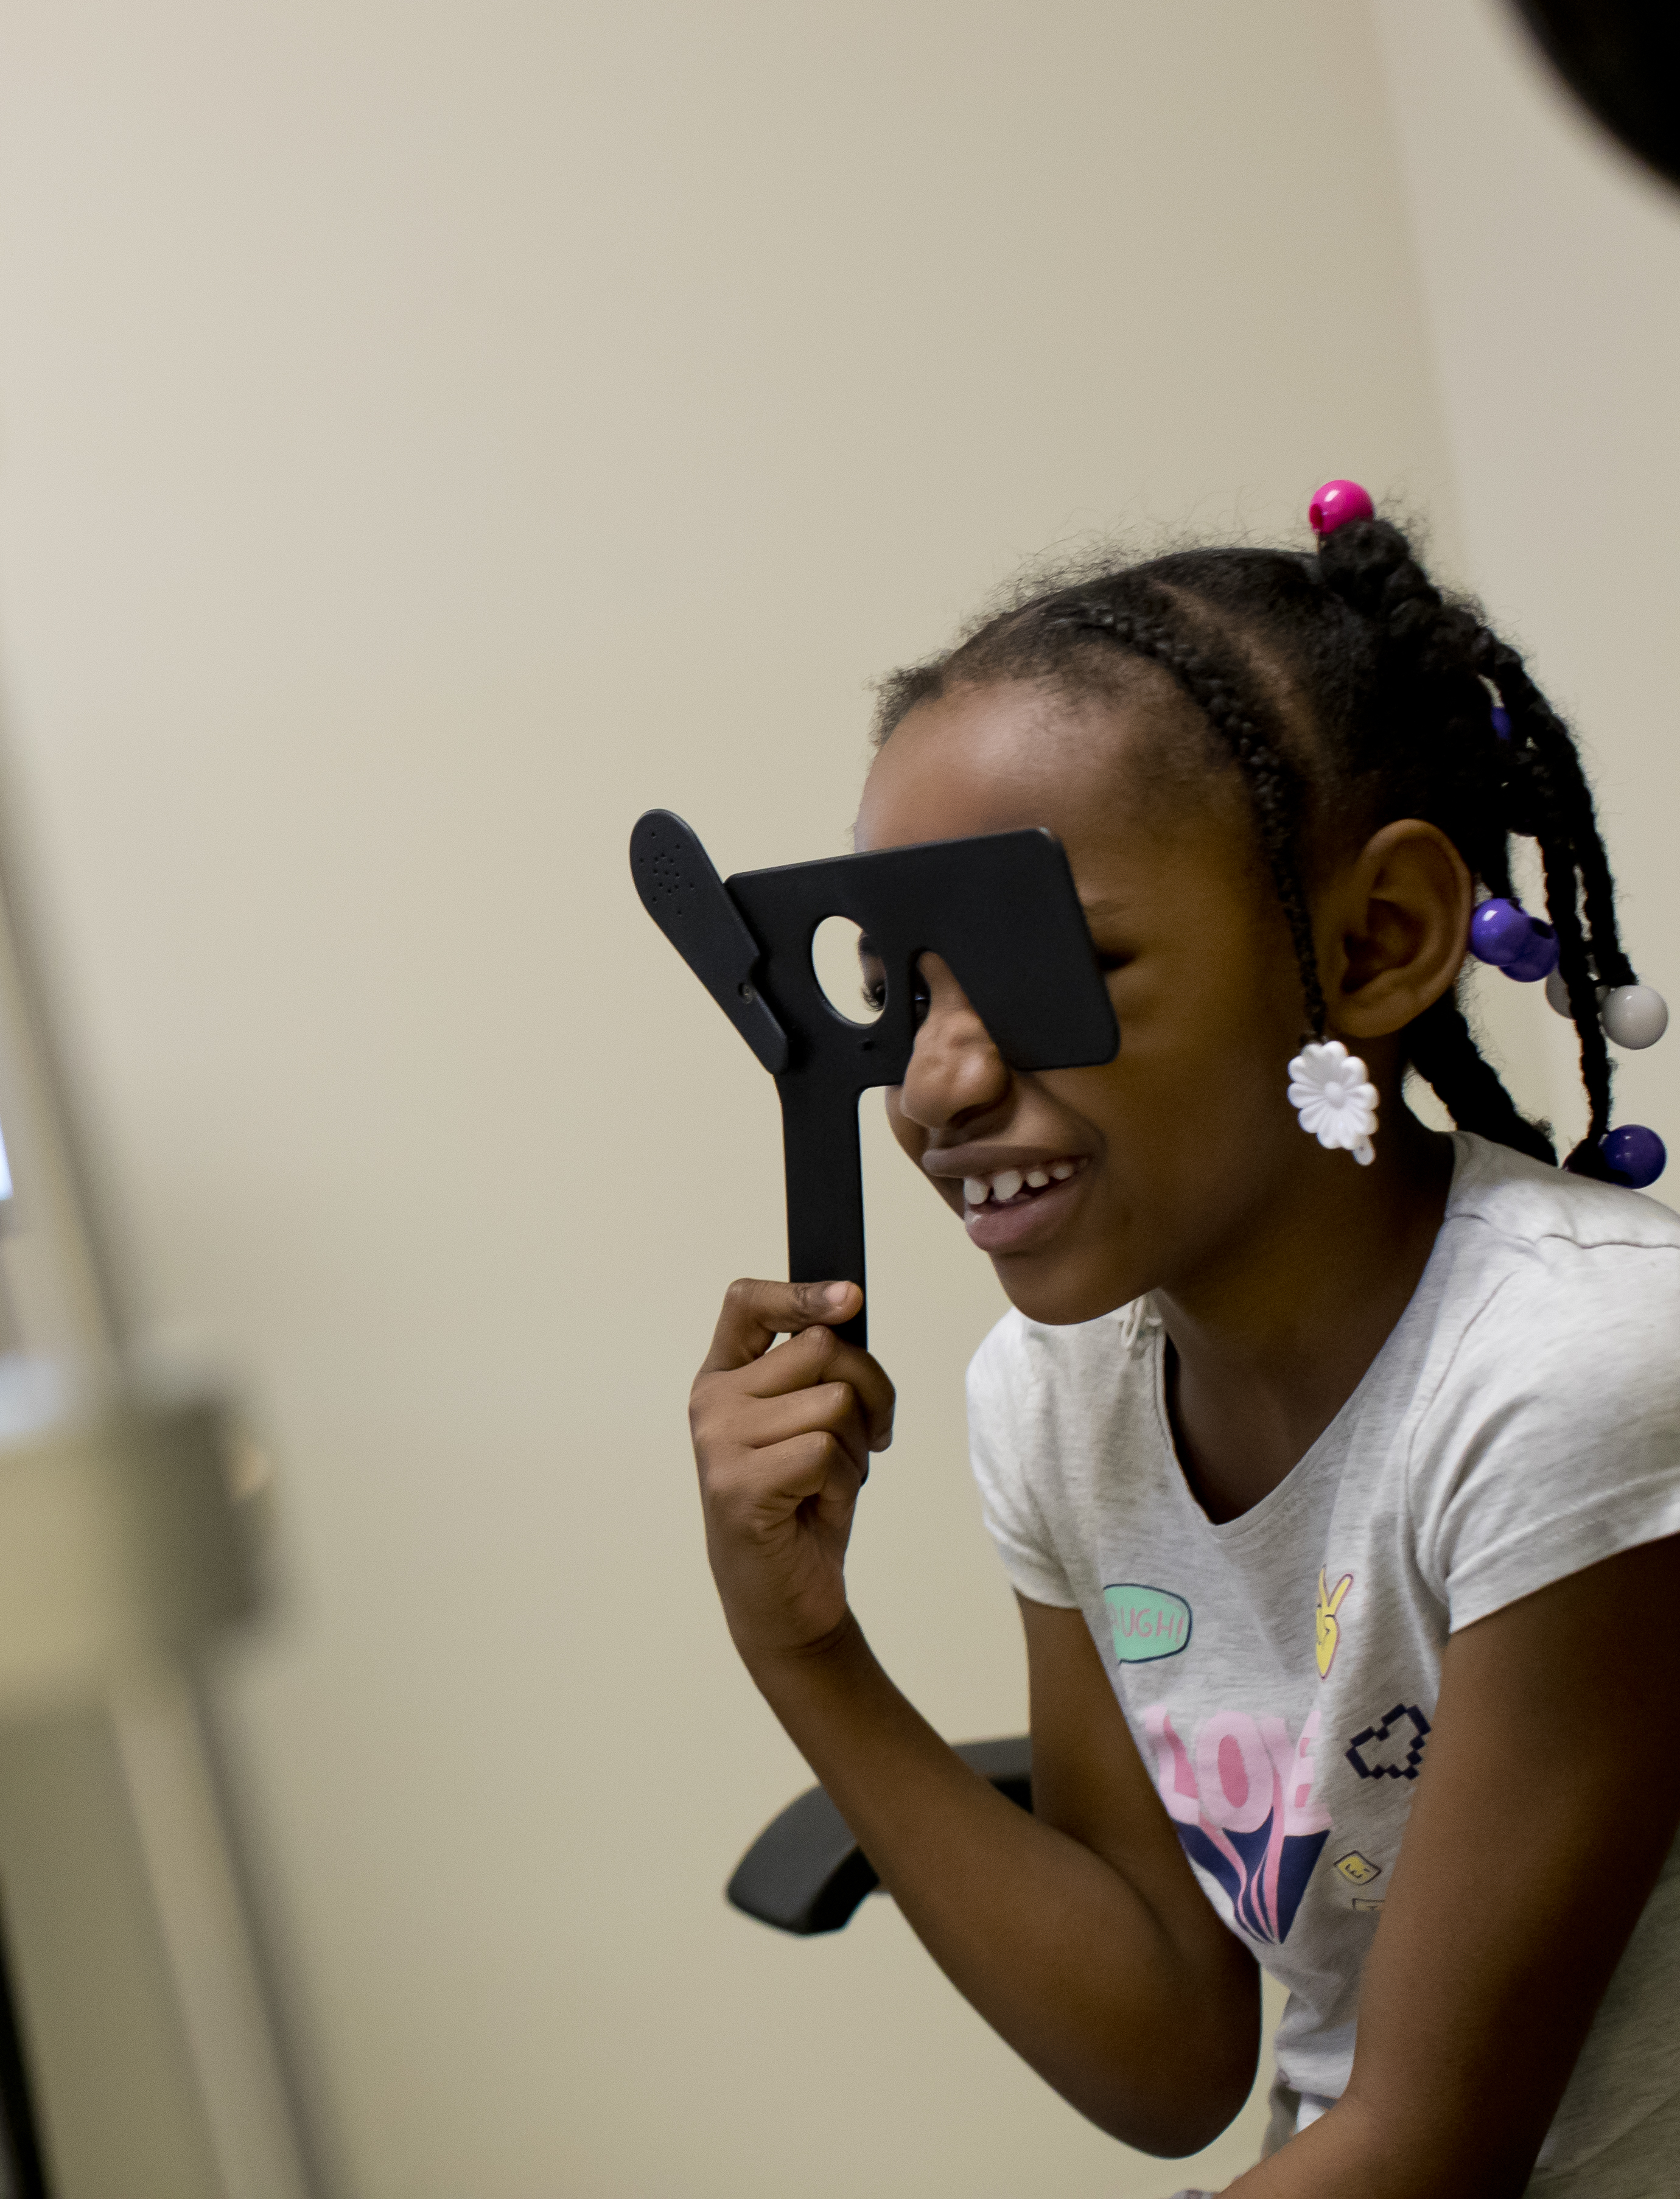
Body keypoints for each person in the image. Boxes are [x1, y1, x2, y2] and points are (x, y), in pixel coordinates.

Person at [682, 481, 1680, 2195]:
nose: (941, 1077)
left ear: (1376, 945)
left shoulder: (1578, 1372)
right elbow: (1167, 2050)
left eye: (1046, 971)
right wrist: (802, 1651)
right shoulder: (1058, 1399)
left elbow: (1435, 2146)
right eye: (902, 996)